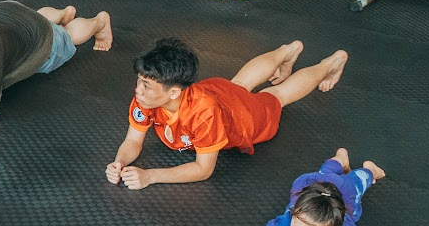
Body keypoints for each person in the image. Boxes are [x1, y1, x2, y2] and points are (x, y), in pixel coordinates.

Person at [106, 37, 349, 190]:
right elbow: (132, 141)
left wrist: (149, 176)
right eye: (139, 81)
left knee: (278, 96)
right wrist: (120, 162)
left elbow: (203, 169)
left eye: (146, 86)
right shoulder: (146, 98)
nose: (138, 90)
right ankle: (286, 51)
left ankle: (331, 63)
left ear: (174, 92)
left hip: (241, 117)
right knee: (239, 83)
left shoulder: (203, 114)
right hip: (215, 92)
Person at [265, 148, 384, 226]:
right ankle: (341, 158)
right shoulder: (287, 222)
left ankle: (370, 169)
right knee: (325, 173)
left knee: (359, 179)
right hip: (309, 182)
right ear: (293, 216)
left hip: (344, 189)